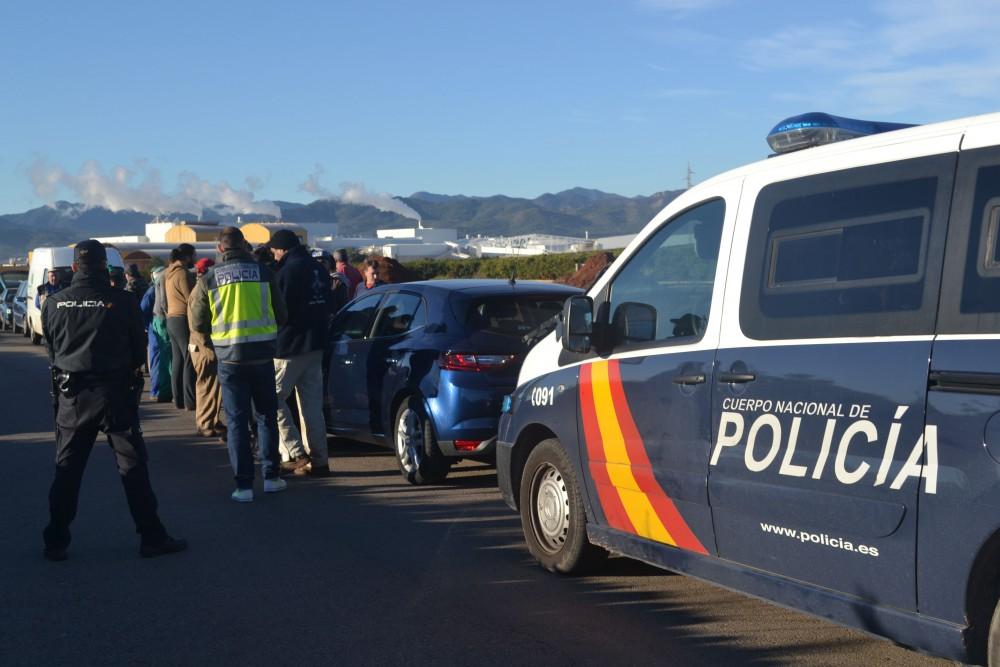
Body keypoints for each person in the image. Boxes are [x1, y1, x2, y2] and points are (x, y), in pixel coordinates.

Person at [40, 239, 186, 561]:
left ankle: (56, 539)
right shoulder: (122, 300)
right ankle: (151, 535)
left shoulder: (54, 303)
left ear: (75, 267)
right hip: (115, 394)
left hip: (73, 396)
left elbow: (52, 351)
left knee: (67, 469)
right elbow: (138, 351)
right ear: (105, 267)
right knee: (133, 466)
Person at [189, 227, 289, 502]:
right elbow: (282, 314)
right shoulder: (264, 273)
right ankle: (271, 477)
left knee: (236, 422)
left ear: (220, 249)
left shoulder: (209, 278)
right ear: (245, 245)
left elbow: (197, 322)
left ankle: (244, 486)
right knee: (266, 417)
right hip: (262, 356)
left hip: (230, 358)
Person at [268, 230, 331, 477]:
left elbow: (278, 310)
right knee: (312, 407)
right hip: (316, 344)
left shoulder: (287, 272)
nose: (273, 255)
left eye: (274, 250)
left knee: (271, 398)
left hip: (289, 346)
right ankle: (320, 460)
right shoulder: (319, 269)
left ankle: (295, 453)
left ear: (281, 249)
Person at [188, 258, 224, 438]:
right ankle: (204, 424)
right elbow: (198, 324)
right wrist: (208, 348)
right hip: (203, 346)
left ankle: (212, 420)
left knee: (213, 386)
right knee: (206, 385)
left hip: (202, 344)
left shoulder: (199, 288)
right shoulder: (200, 291)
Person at [165, 244, 197, 411]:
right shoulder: (183, 274)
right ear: (187, 256)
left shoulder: (169, 273)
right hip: (182, 318)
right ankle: (190, 400)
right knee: (189, 358)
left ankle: (178, 398)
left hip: (171, 319)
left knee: (178, 359)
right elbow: (191, 298)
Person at [140, 267, 172, 403]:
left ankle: (161, 390)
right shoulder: (153, 290)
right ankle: (158, 391)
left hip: (155, 326)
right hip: (156, 327)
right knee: (159, 360)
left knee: (159, 359)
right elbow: (143, 310)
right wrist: (148, 326)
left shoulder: (153, 289)